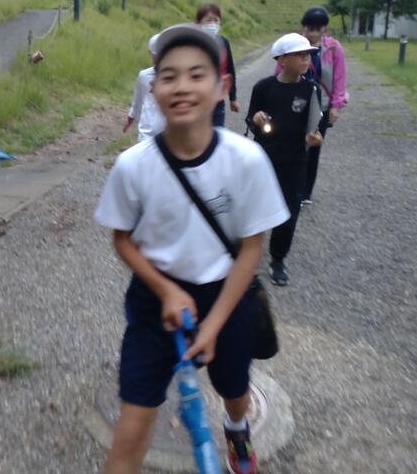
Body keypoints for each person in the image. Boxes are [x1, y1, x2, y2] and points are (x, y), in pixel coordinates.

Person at [96, 24, 289, 474]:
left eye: (196, 75)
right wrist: (166, 290)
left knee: (233, 387)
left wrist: (215, 322)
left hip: (227, 294)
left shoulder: (246, 160)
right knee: (134, 415)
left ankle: (237, 429)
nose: (182, 86)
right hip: (154, 299)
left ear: (222, 87)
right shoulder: (133, 166)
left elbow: (250, 249)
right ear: (153, 88)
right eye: (169, 76)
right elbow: (122, 239)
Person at [249, 33, 324, 286]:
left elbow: (316, 126)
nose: (306, 60)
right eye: (300, 55)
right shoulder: (263, 87)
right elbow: (251, 119)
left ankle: (278, 259)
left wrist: (316, 138)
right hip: (264, 159)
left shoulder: (310, 89)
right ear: (282, 59)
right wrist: (256, 119)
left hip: (295, 160)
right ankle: (246, 255)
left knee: (289, 213)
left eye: (308, 55)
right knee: (256, 209)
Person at [290, 6, 347, 204]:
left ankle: (305, 192)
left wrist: (335, 106)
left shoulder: (333, 48)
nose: (313, 33)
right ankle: (291, 188)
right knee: (293, 146)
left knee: (313, 148)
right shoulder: (293, 45)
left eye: (318, 28)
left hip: (320, 106)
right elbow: (280, 71)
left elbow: (339, 79)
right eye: (310, 28)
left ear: (324, 29)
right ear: (303, 28)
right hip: (295, 104)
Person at [195, 4, 239, 127]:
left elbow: (230, 70)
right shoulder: (192, 43)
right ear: (198, 23)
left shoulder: (224, 42)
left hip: (217, 100)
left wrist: (233, 98)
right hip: (197, 100)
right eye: (208, 20)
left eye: (216, 20)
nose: (213, 24)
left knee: (217, 132)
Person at [122, 34, 165, 142]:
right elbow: (137, 99)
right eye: (155, 56)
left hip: (167, 133)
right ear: (150, 53)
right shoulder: (144, 76)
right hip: (146, 132)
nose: (157, 60)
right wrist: (130, 118)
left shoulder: (176, 77)